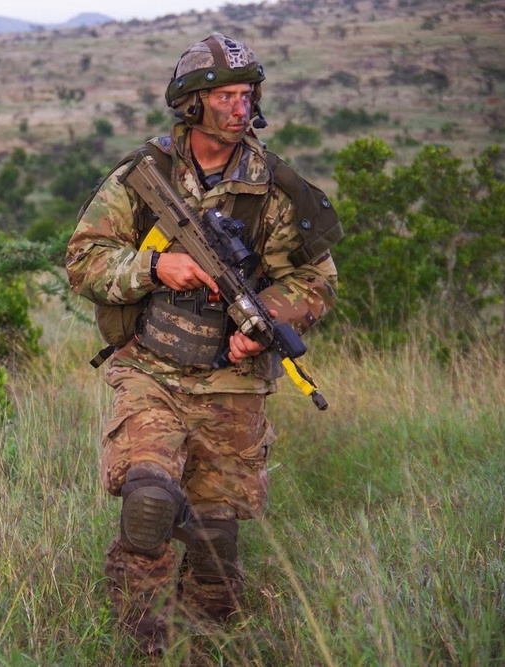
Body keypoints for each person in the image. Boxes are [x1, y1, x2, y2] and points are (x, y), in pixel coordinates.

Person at [65, 33, 339, 655]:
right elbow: (83, 262)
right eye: (225, 97)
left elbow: (317, 281)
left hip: (233, 385)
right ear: (192, 104)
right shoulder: (144, 177)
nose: (240, 108)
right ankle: (140, 645)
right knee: (149, 505)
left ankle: (209, 645)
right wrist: (152, 268)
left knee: (216, 550)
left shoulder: (276, 188)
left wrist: (262, 321)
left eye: (247, 95)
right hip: (151, 369)